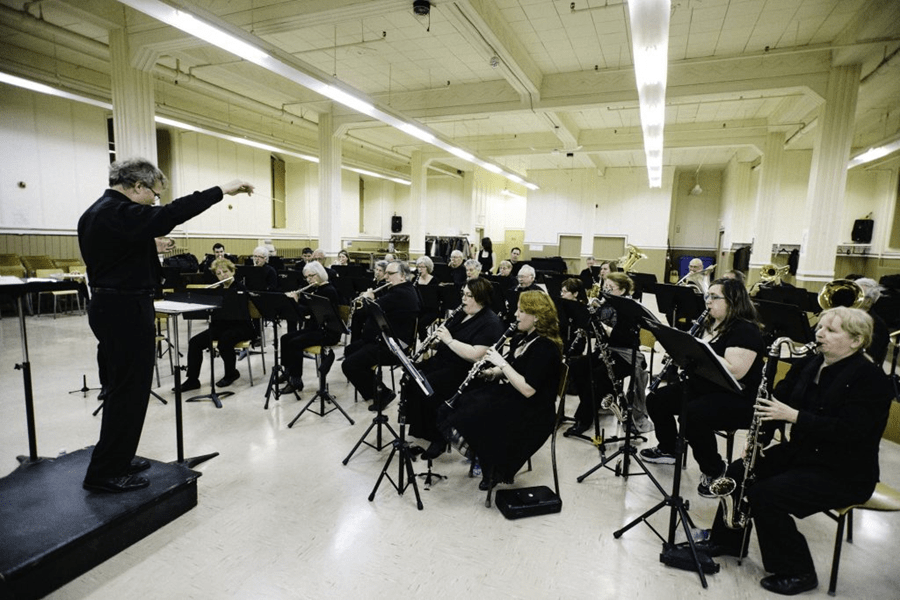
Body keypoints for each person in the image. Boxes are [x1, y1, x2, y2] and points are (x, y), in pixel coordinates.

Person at [78, 157, 253, 493]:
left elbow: (118, 252)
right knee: (129, 391)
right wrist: (222, 190)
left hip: (112, 305)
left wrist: (147, 244)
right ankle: (106, 471)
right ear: (137, 186)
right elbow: (172, 213)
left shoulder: (98, 212)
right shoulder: (118, 211)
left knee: (123, 388)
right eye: (154, 194)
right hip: (124, 308)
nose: (155, 201)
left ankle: (117, 458)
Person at [695, 307, 892, 596]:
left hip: (844, 471)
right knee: (738, 472)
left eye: (831, 330)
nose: (819, 333)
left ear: (856, 340)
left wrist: (795, 416)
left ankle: (799, 572)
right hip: (803, 453)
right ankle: (727, 541)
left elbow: (851, 432)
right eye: (820, 327)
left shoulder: (872, 380)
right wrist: (760, 437)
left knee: (767, 495)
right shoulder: (811, 362)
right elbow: (778, 401)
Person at [640, 277, 765, 497]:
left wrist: (700, 352)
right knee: (656, 399)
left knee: (693, 416)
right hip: (705, 387)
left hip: (738, 397)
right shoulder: (707, 324)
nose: (708, 301)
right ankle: (669, 449)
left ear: (733, 301)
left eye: (715, 297)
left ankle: (715, 470)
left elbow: (736, 371)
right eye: (708, 296)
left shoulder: (745, 331)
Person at [437, 291, 563, 490]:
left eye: (521, 311)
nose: (515, 315)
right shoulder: (523, 338)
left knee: (475, 414)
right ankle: (482, 456)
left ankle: (492, 466)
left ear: (537, 317)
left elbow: (528, 389)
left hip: (534, 410)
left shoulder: (546, 347)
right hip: (515, 396)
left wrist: (501, 363)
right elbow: (512, 369)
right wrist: (489, 373)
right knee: (465, 401)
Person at [407, 278, 505, 459]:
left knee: (430, 385)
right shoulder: (461, 313)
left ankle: (440, 437)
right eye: (463, 294)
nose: (463, 299)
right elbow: (447, 340)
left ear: (481, 298)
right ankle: (422, 427)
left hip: (466, 372)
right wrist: (436, 343)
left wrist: (449, 340)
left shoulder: (491, 322)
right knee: (412, 375)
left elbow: (476, 355)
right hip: (445, 361)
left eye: (469, 295)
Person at [566, 273, 651, 435]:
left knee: (598, 375)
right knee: (577, 366)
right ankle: (593, 404)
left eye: (610, 288)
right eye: (605, 287)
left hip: (626, 354)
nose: (606, 291)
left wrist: (602, 326)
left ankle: (584, 419)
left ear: (623, 290)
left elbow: (625, 338)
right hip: (606, 350)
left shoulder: (629, 308)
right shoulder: (604, 305)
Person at [341, 260, 420, 412]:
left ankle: (383, 393)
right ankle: (372, 386)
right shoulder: (402, 289)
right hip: (385, 339)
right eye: (386, 273)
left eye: (390, 274)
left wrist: (368, 298)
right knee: (350, 350)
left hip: (393, 346)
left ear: (403, 276)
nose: (386, 277)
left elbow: (370, 310)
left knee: (349, 365)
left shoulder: (400, 294)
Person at [179, 259, 256, 392]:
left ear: (232, 271)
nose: (223, 276)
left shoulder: (240, 289)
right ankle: (192, 380)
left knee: (225, 341)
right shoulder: (216, 290)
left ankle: (231, 373)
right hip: (221, 327)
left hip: (241, 327)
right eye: (219, 274)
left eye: (225, 272)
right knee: (194, 342)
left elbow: (241, 313)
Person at [277, 261, 343, 395]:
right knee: (285, 338)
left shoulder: (328, 291)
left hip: (328, 331)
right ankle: (288, 372)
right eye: (306, 277)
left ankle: (296, 380)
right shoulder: (316, 289)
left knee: (295, 343)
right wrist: (292, 300)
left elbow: (311, 312)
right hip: (315, 329)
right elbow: (305, 309)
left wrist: (296, 302)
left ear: (319, 274)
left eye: (311, 276)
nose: (308, 280)